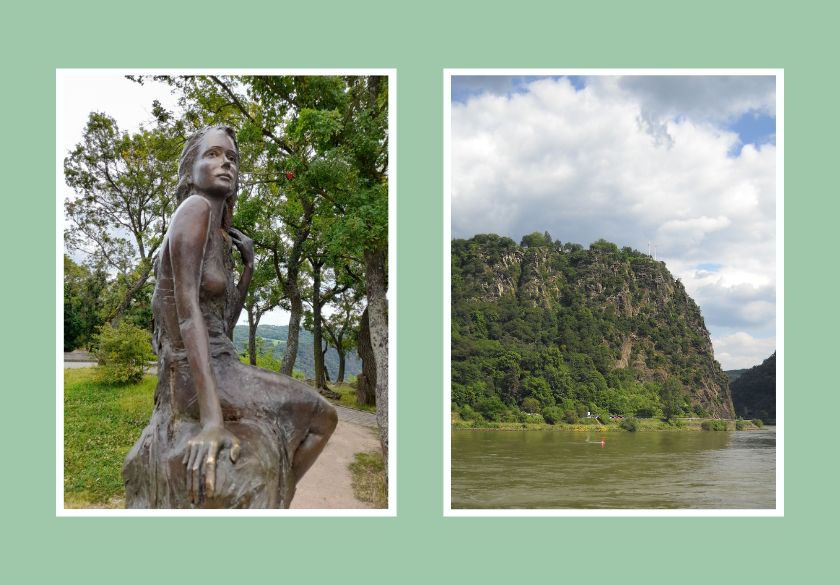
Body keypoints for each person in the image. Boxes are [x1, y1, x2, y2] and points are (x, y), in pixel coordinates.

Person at [124, 126, 337, 508]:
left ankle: (276, 499)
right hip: (194, 375)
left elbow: (221, 324)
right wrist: (211, 421)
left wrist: (249, 267)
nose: (225, 163)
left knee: (322, 417)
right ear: (191, 170)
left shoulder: (220, 236)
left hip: (222, 365)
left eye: (232, 158)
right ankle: (273, 500)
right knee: (322, 416)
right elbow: (188, 318)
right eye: (213, 154)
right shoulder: (194, 210)